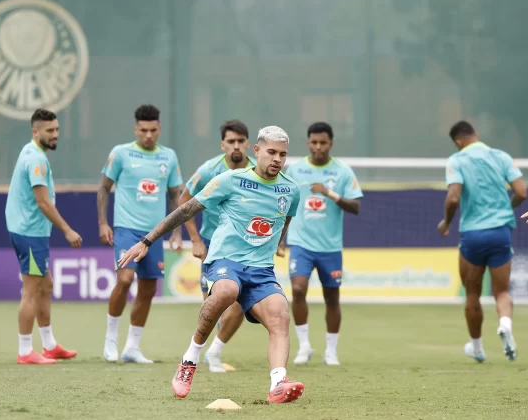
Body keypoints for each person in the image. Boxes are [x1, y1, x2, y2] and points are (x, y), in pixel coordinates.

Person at [119, 126, 305, 404]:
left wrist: (278, 243)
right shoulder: (230, 179)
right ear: (257, 151)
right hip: (225, 261)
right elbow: (185, 209)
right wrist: (147, 241)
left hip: (262, 270)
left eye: (283, 154)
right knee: (226, 291)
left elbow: (285, 219)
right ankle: (190, 359)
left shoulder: (290, 190)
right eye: (271, 152)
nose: (277, 159)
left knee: (280, 314)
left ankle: (278, 383)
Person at [98, 104, 184, 364]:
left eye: (153, 130)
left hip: (154, 234)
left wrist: (176, 232)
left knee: (148, 289)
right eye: (143, 130)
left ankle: (132, 347)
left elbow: (175, 195)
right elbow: (103, 188)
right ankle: (111, 339)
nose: (148, 135)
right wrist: (103, 223)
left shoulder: (168, 157)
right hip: (126, 228)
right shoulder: (121, 154)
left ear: (159, 129)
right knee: (124, 280)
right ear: (136, 128)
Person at [438, 121, 527, 362]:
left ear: (458, 142)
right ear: (476, 135)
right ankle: (505, 324)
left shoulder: (457, 160)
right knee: (502, 292)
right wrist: (506, 210)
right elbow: (521, 192)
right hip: (500, 231)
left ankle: (477, 348)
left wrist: (446, 222)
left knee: (472, 295)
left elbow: (453, 198)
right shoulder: (501, 156)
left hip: (473, 235)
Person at [178, 119, 255, 373]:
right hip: (213, 244)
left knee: (242, 305)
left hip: (245, 246)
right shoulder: (209, 170)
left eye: (240, 141)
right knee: (213, 305)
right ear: (223, 144)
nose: (236, 146)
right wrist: (196, 240)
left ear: (249, 144)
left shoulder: (258, 171)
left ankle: (215, 351)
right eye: (231, 141)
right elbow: (184, 199)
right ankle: (197, 352)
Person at [7, 109, 82, 365]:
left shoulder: (32, 153)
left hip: (30, 230)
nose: (55, 135)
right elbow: (43, 203)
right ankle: (25, 350)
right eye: (50, 130)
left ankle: (49, 345)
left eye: (57, 129)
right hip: (29, 232)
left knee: (45, 285)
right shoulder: (36, 159)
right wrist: (68, 230)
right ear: (35, 131)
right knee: (31, 290)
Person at [284, 122, 362, 366]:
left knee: (332, 298)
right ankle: (304, 345)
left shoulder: (342, 172)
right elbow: (285, 204)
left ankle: (331, 350)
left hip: (330, 247)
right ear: (308, 143)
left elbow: (356, 207)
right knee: (297, 290)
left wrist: (330, 193)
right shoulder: (295, 170)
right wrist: (279, 238)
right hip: (301, 244)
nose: (318, 147)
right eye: (314, 142)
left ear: (331, 144)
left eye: (323, 143)